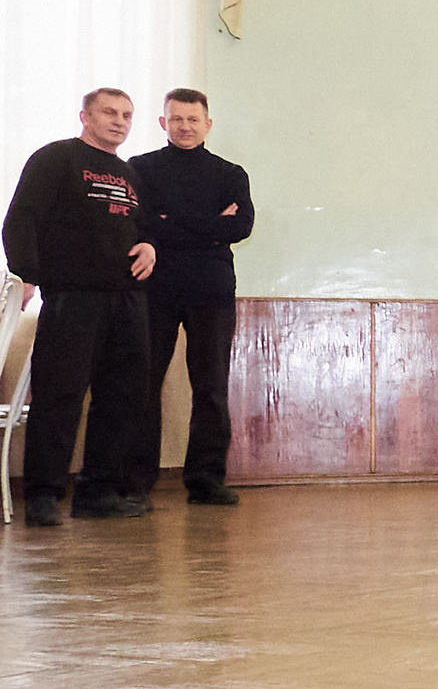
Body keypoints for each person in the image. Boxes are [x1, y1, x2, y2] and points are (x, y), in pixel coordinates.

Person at [3, 88, 157, 527]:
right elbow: (21, 218)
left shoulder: (129, 173)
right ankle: (43, 496)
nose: (120, 121)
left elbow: (143, 227)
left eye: (127, 114)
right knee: (60, 394)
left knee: (123, 397)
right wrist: (26, 273)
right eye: (109, 112)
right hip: (73, 296)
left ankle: (98, 492)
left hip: (127, 298)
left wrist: (149, 245)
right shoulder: (56, 158)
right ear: (85, 116)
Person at [126, 88, 253, 506]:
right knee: (144, 385)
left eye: (193, 119)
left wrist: (170, 221)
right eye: (177, 119)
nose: (185, 127)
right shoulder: (139, 168)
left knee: (211, 386)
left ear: (207, 124)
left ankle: (206, 481)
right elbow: (140, 223)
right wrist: (210, 226)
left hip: (211, 291)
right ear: (163, 123)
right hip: (153, 289)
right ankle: (135, 484)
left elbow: (241, 227)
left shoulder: (230, 173)